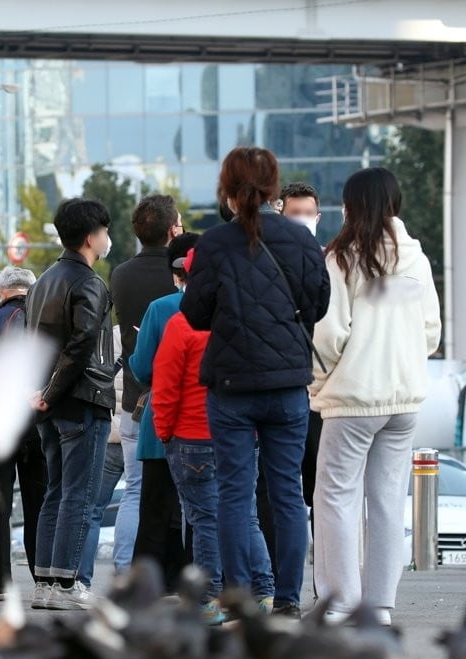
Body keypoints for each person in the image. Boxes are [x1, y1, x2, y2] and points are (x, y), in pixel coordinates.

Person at [181, 147, 330, 619]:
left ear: (226, 188)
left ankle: (240, 598)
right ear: (272, 188)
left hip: (231, 385)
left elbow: (195, 312)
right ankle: (287, 600)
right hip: (288, 385)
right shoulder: (301, 238)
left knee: (234, 492)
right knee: (288, 493)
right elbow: (319, 304)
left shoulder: (213, 244)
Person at [310, 168, 441, 626]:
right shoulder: (417, 259)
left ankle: (340, 603)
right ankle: (381, 605)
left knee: (335, 498)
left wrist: (318, 383)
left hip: (353, 399)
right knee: (387, 501)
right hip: (404, 400)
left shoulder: (342, 258)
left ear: (353, 206)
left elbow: (329, 335)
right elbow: (431, 332)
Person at [154, 248, 275, 624]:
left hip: (191, 436)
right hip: (239, 434)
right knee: (247, 515)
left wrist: (164, 430)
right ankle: (263, 592)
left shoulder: (181, 324)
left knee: (205, 520)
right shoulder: (244, 319)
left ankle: (207, 601)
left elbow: (166, 385)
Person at [26, 198, 115, 611]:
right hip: (80, 398)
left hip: (46, 401)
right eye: (104, 230)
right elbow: (81, 346)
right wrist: (53, 390)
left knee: (56, 492)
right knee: (79, 494)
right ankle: (67, 585)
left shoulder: (43, 280)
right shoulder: (89, 283)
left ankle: (45, 583)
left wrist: (42, 393)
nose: (107, 238)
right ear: (89, 237)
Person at [109, 195, 184, 576]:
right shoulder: (184, 280)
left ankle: (125, 569)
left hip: (137, 399)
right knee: (184, 495)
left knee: (137, 490)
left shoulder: (120, 274)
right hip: (180, 402)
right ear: (174, 229)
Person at [127, 233, 200, 591]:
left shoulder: (160, 308)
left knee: (155, 511)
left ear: (175, 273)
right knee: (199, 513)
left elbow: (141, 368)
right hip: (206, 422)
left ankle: (149, 587)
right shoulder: (224, 305)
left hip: (163, 422)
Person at [0, 266, 46, 601]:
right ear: (32, 290)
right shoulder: (44, 320)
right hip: (38, 425)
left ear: (2, 291)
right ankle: (44, 579)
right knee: (40, 504)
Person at [280, 181, 326, 551]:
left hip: (318, 393)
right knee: (277, 487)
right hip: (280, 384)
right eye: (293, 214)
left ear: (318, 217)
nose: (300, 221)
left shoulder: (330, 262)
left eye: (306, 214)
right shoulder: (266, 261)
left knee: (319, 490)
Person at [76, 323, 124, 590]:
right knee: (142, 508)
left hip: (108, 435)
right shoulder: (161, 326)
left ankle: (82, 578)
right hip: (139, 435)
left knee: (92, 510)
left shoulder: (110, 336)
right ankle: (133, 578)